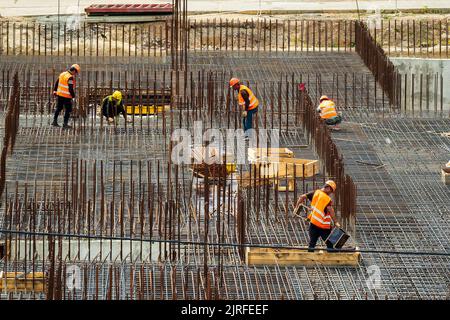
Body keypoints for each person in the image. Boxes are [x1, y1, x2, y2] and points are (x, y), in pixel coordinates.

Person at [294, 180, 340, 252]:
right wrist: (336, 222)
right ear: (328, 188)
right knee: (329, 243)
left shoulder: (316, 193)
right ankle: (332, 257)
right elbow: (330, 210)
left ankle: (310, 257)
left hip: (313, 223)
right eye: (331, 191)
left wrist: (296, 208)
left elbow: (301, 197)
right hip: (323, 225)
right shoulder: (326, 198)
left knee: (312, 243)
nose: (331, 193)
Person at [52, 64, 80, 128]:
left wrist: (55, 90)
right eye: (76, 72)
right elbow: (70, 89)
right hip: (67, 96)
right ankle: (65, 124)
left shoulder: (63, 74)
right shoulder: (70, 77)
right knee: (68, 109)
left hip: (60, 94)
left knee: (59, 108)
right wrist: (73, 96)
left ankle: (54, 121)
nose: (75, 74)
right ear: (74, 71)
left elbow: (57, 82)